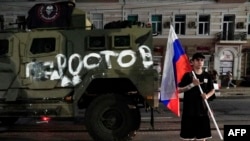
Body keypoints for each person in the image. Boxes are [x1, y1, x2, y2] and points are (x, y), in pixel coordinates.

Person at [178, 53, 215, 141]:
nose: (200, 62)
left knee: (202, 137)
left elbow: (212, 90)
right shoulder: (188, 75)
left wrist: (207, 96)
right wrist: (192, 85)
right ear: (192, 62)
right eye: (197, 60)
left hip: (202, 110)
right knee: (188, 137)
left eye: (202, 60)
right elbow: (179, 90)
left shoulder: (207, 75)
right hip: (189, 110)